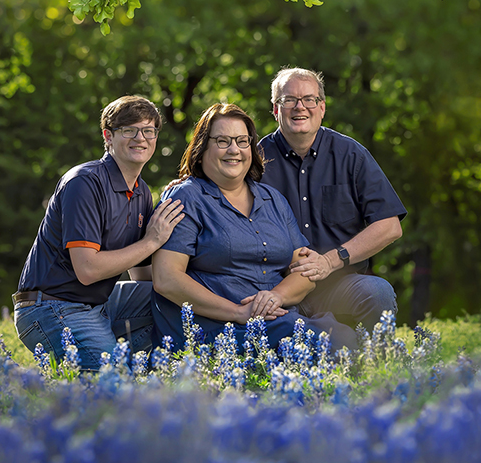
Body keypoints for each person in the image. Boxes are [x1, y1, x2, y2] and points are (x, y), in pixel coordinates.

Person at [151, 103, 359, 352]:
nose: (234, 150)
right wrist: (239, 312)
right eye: (222, 141)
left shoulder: (272, 199)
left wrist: (276, 296)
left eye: (242, 141)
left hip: (279, 321)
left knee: (345, 338)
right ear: (202, 147)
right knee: (332, 346)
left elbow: (305, 272)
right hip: (214, 327)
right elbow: (166, 279)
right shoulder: (186, 197)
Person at [13, 95, 185, 371]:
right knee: (112, 387)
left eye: (148, 131)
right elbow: (88, 270)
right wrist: (152, 240)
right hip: (53, 307)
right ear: (108, 136)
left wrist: (182, 195)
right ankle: (117, 371)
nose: (140, 138)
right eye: (129, 130)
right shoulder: (84, 183)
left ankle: (152, 371)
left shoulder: (141, 192)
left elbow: (142, 277)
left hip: (98, 304)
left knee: (176, 300)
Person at [258, 67, 408, 330]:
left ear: (322, 107)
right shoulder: (253, 161)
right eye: (289, 100)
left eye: (309, 99)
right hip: (275, 288)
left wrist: (330, 261)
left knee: (378, 292)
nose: (299, 107)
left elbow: (389, 226)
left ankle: (379, 368)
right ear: (275, 109)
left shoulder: (351, 155)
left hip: (340, 286)